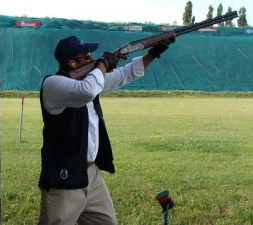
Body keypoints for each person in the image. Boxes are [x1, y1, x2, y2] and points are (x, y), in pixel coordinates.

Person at [38, 35, 175, 225]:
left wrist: (152, 54)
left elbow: (126, 74)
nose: (92, 59)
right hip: (64, 178)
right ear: (71, 63)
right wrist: (103, 64)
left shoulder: (91, 82)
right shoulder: (53, 84)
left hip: (91, 174)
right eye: (86, 56)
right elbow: (86, 91)